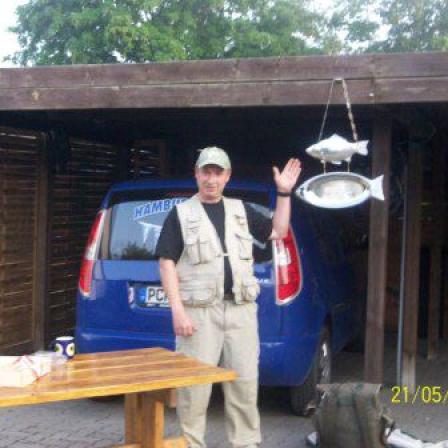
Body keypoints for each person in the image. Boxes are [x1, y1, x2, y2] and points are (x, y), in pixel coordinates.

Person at [156, 146, 301, 448]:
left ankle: (246, 443)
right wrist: (177, 311)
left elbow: (279, 230)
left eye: (217, 172)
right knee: (194, 389)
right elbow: (166, 263)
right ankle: (191, 444)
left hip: (240, 311)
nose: (211, 179)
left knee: (245, 384)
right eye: (206, 172)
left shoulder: (241, 210)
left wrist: (284, 193)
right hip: (198, 314)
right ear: (196, 174)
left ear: (227, 176)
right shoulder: (180, 214)